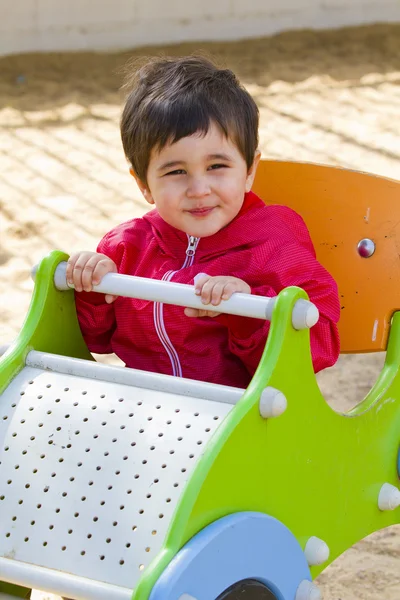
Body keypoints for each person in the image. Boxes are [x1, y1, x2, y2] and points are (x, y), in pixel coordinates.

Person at [66, 55, 340, 389]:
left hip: (244, 416)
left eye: (217, 167)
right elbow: (95, 339)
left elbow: (319, 348)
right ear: (143, 184)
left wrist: (249, 308)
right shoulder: (126, 246)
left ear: (250, 170)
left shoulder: (274, 243)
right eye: (176, 171)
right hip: (148, 412)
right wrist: (91, 289)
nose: (199, 190)